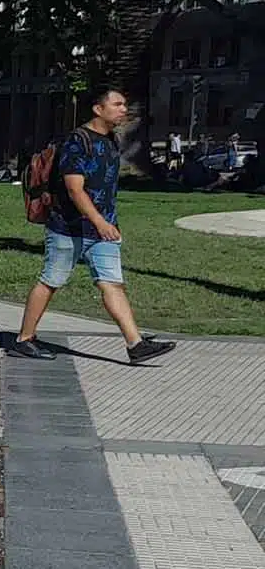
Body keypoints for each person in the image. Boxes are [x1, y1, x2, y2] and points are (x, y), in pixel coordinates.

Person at [9, 86, 177, 365]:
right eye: (118, 104)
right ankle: (24, 339)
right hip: (69, 227)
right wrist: (99, 221)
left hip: (104, 230)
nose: (124, 109)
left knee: (112, 284)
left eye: (125, 104)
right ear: (98, 109)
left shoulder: (111, 139)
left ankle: (135, 345)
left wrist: (106, 223)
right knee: (51, 281)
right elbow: (75, 190)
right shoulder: (77, 141)